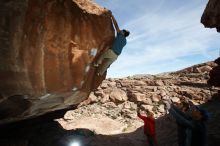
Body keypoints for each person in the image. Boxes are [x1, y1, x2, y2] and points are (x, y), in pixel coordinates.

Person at [94, 11, 130, 76]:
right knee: (105, 65)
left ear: (123, 33)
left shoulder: (120, 34)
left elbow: (116, 25)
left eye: (122, 30)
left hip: (112, 52)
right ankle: (99, 73)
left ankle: (96, 64)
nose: (121, 30)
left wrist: (112, 16)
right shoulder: (125, 41)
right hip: (116, 56)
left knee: (103, 55)